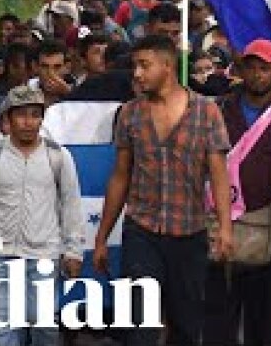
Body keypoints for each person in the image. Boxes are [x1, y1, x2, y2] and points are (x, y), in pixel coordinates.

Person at [93, 36, 234, 346]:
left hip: (190, 233)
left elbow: (219, 176)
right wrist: (102, 237)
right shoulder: (130, 114)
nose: (137, 74)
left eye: (145, 66)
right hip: (142, 230)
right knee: (140, 327)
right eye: (135, 66)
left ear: (168, 66)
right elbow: (119, 177)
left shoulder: (206, 112)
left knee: (185, 326)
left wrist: (224, 229)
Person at [205, 39, 271, 346]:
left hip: (270, 226)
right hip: (221, 223)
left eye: (264, 68)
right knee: (219, 314)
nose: (257, 74)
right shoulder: (220, 110)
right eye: (250, 67)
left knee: (268, 317)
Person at [0, 85, 86, 346]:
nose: (28, 122)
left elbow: (71, 203)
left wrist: (73, 250)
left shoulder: (58, 156)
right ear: (8, 118)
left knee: (43, 327)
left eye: (34, 114)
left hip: (43, 254)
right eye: (21, 115)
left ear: (42, 118)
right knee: (0, 327)